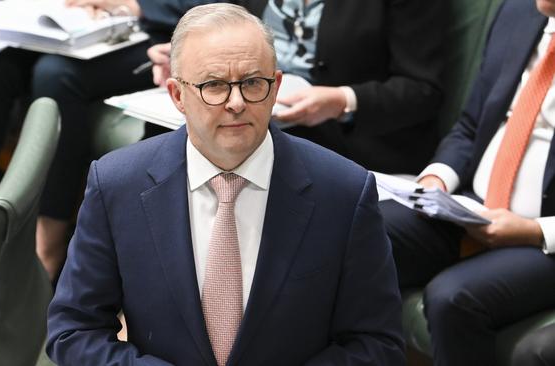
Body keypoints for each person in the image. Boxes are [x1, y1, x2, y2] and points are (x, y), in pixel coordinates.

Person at [46, 4, 404, 365]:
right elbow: (75, 331)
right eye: (213, 85)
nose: (236, 103)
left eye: (252, 83)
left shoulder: (344, 192)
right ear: (177, 95)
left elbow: (377, 344)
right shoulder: (116, 185)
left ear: (276, 86)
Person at [0, 0, 213, 283]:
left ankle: (47, 243)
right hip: (88, 19)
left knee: (57, 75)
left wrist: (135, 5)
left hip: (161, 31)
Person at [381, 0, 555, 364]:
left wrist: (534, 230)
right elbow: (471, 124)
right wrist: (435, 180)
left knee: (453, 298)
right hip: (471, 208)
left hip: (542, 240)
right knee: (360, 228)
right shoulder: (519, 12)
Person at [148, 0, 445, 174]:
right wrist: (187, 60)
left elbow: (423, 89)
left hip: (346, 137)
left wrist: (342, 101)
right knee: (164, 141)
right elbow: (225, 33)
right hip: (254, 106)